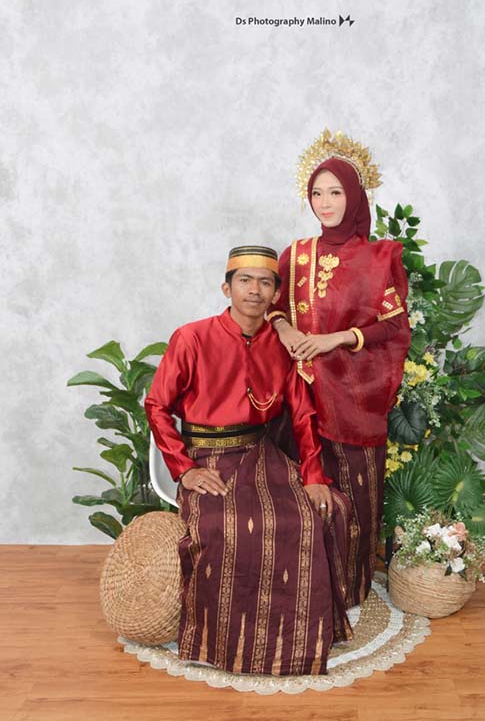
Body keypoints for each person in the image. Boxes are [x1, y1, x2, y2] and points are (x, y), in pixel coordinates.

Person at [145, 245, 351, 677]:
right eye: (244, 280)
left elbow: (303, 414)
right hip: (206, 457)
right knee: (225, 526)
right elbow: (157, 405)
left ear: (274, 293)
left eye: (264, 282)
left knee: (312, 513)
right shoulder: (192, 337)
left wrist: (314, 475)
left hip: (261, 453)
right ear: (227, 288)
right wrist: (185, 469)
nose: (254, 290)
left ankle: (298, 640)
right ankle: (220, 642)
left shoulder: (283, 344)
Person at [268, 130, 411, 608]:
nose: (325, 203)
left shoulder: (378, 258)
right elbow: (272, 306)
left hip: (354, 395)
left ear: (354, 196)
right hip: (298, 392)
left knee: (354, 490)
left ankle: (349, 586)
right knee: (298, 492)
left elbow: (394, 326)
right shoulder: (295, 254)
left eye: (335, 192)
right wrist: (284, 329)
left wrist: (338, 338)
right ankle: (301, 586)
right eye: (317, 193)